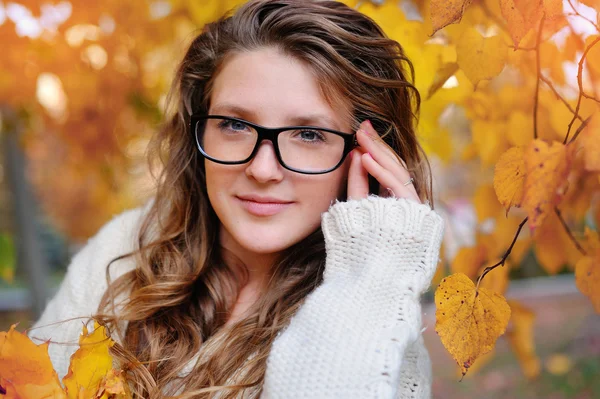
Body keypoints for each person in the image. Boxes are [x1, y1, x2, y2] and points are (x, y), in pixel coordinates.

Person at [29, 0, 445, 398]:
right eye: (233, 124)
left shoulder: (380, 335)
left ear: (365, 158)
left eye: (309, 134)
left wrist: (367, 279)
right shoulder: (122, 251)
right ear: (199, 132)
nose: (263, 170)